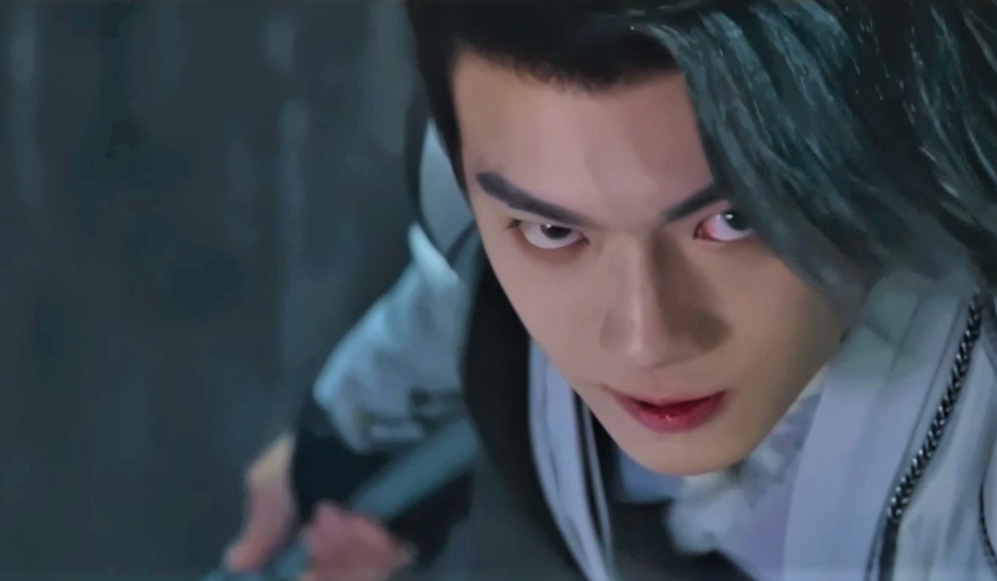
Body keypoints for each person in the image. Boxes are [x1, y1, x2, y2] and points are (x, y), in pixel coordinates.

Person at [236, 2, 997, 580]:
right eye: (551, 231)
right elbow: (452, 287)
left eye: (735, 219)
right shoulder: (473, 184)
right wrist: (339, 438)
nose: (644, 340)